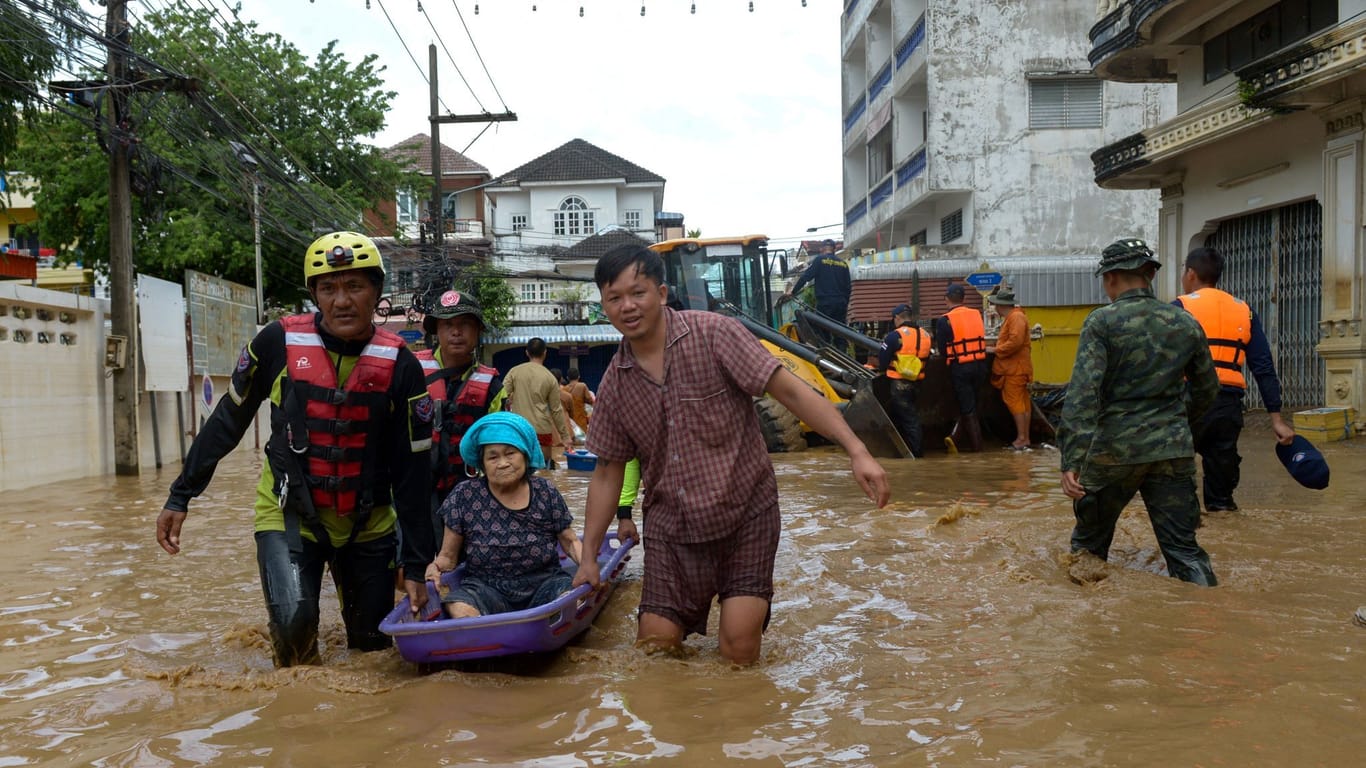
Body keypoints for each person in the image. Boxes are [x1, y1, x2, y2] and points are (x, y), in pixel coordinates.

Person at [573, 243, 890, 665]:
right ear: (603, 306)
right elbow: (608, 472)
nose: (627, 306)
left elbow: (791, 390)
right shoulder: (614, 385)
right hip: (673, 529)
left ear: (662, 294)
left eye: (638, 292)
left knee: (738, 650)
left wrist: (857, 450)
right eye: (614, 298)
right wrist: (589, 557)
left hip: (746, 514)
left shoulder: (715, 334)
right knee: (654, 651)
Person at [155, 231, 435, 666]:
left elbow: (413, 472)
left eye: (355, 286)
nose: (342, 300)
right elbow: (229, 419)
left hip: (370, 523)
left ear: (376, 292)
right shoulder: (275, 344)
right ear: (314, 296)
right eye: (329, 288)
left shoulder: (403, 367)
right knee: (294, 630)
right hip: (288, 514)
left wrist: (417, 564)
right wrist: (181, 494)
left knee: (374, 651)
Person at [1059, 238, 1220, 586]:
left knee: (1088, 549)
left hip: (1113, 452)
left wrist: (1071, 460)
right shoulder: (1185, 323)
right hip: (1172, 451)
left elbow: (1083, 396)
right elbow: (1209, 389)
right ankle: (1209, 621)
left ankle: (1085, 631)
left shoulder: (1101, 323)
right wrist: (1177, 426)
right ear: (1148, 274)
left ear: (1112, 277)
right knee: (1185, 552)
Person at [424, 412, 582, 619]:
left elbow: (570, 542)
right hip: (485, 588)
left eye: (510, 454)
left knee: (572, 600)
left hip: (545, 582)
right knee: (459, 608)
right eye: (493, 456)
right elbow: (448, 557)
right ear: (482, 464)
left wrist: (589, 567)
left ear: (525, 455)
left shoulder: (545, 491)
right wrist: (434, 568)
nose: (503, 463)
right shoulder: (465, 494)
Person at [1174, 246, 1296, 512]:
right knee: (1222, 495)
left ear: (1191, 274)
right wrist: (1276, 418)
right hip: (1227, 405)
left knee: (1175, 479)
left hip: (1187, 402)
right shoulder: (1244, 310)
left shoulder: (1179, 307)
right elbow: (1263, 366)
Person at [416, 289, 505, 532]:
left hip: (471, 494)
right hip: (417, 493)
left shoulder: (493, 387)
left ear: (478, 332)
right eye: (448, 325)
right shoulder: (411, 372)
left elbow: (501, 449)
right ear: (437, 332)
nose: (456, 332)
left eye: (465, 324)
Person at [503, 337, 574, 468]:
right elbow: (556, 410)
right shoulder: (550, 377)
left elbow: (501, 397)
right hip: (542, 430)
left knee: (519, 468)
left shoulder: (515, 371)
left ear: (527, 352)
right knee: (544, 471)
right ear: (545, 353)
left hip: (519, 428)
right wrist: (565, 437)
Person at [936, 283, 988, 453]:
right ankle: (955, 437)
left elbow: (943, 350)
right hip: (980, 365)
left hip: (961, 368)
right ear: (964, 298)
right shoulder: (976, 314)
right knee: (972, 405)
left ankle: (977, 450)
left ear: (946, 299)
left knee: (968, 408)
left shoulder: (945, 320)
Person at [877, 303, 932, 457]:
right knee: (905, 415)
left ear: (897, 318)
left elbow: (883, 358)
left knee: (909, 419)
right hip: (917, 382)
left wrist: (882, 369)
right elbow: (928, 359)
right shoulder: (926, 335)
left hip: (899, 383)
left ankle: (916, 454)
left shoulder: (896, 335)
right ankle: (905, 449)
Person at [987, 290, 1033, 451]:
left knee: (1015, 403)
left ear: (1000, 305)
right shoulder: (1016, 317)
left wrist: (996, 350)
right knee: (1023, 403)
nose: (994, 308)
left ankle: (1021, 438)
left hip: (1014, 369)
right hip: (1018, 367)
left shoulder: (1016, 317)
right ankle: (1024, 438)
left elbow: (1015, 341)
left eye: (995, 305)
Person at [784, 239, 851, 325]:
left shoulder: (819, 260)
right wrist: (846, 304)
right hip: (841, 304)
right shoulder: (844, 264)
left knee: (822, 331)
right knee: (840, 332)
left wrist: (793, 291)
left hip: (825, 304)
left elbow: (805, 277)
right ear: (834, 250)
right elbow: (848, 288)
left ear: (822, 249)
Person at [564, 367, 595, 433]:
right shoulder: (582, 386)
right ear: (579, 377)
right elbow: (590, 401)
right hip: (580, 421)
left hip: (569, 423)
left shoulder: (564, 389)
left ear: (567, 378)